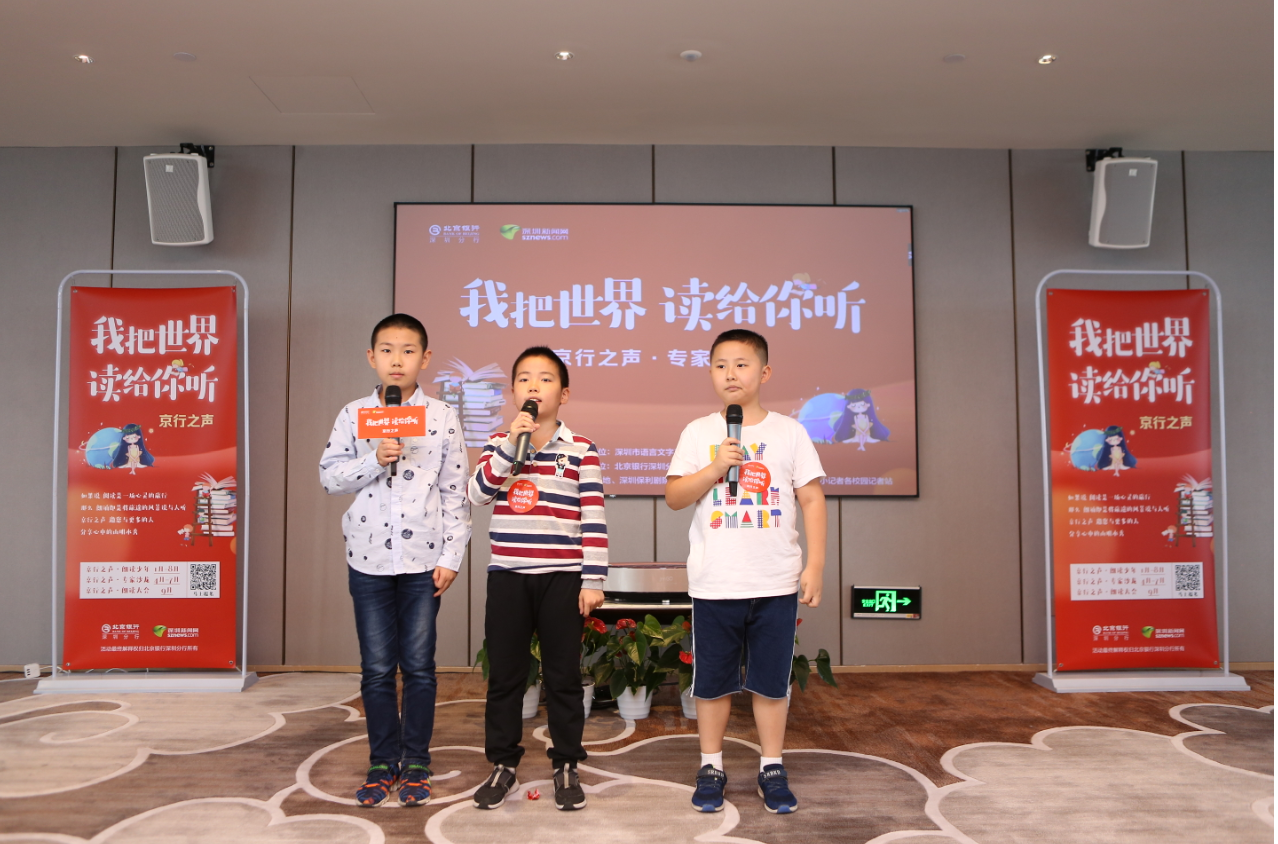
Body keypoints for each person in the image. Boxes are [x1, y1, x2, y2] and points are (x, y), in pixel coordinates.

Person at [665, 328, 826, 815]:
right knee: (712, 682)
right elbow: (674, 496)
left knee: (771, 682)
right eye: (720, 365)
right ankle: (710, 766)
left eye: (741, 364)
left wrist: (815, 564)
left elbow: (811, 499)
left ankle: (771, 766)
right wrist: (715, 467)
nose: (730, 374)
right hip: (716, 582)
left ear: (764, 372)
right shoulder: (698, 432)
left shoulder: (790, 432)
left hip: (775, 581)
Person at [319, 314, 471, 809]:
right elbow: (329, 478)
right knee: (378, 669)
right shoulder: (353, 414)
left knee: (420, 667)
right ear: (372, 357)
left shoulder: (442, 417)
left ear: (425, 359)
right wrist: (374, 458)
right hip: (368, 559)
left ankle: (418, 762)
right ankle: (383, 762)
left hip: (424, 560)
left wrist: (451, 556)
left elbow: (455, 494)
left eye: (408, 351)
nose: (397, 360)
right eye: (387, 350)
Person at [468, 346, 608, 812]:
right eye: (524, 378)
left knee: (564, 677)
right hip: (508, 576)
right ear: (513, 392)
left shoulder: (582, 449)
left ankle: (566, 763)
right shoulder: (499, 441)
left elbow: (593, 517)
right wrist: (511, 444)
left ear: (563, 394)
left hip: (563, 579)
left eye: (546, 378)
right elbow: (478, 494)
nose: (534, 385)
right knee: (506, 677)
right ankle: (503, 763)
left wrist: (593, 579)